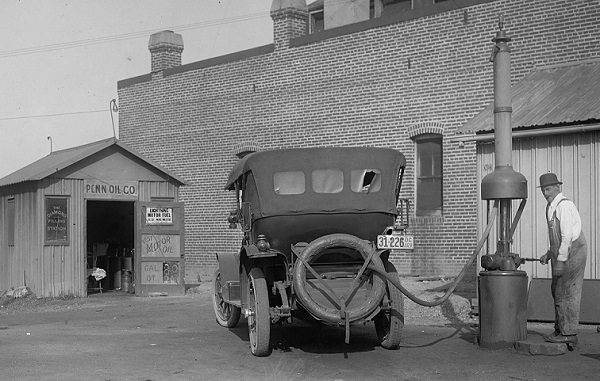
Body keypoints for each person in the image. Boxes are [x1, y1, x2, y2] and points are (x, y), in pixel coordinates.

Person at [538, 173, 587, 346]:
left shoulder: (564, 206)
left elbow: (566, 237)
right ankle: (561, 329)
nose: (546, 193)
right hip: (562, 251)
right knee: (557, 290)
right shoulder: (550, 207)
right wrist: (549, 253)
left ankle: (569, 333)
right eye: (543, 190)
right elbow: (556, 239)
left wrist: (559, 261)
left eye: (549, 189)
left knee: (568, 292)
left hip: (574, 252)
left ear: (558, 187)